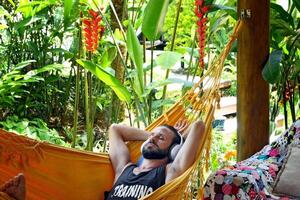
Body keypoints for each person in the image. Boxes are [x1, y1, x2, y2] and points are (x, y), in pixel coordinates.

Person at [106, 119, 205, 200]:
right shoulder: (124, 168)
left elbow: (198, 126)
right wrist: (151, 136)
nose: (152, 139)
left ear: (173, 149)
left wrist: (179, 140)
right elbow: (114, 129)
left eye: (161, 138)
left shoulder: (169, 174)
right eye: (151, 136)